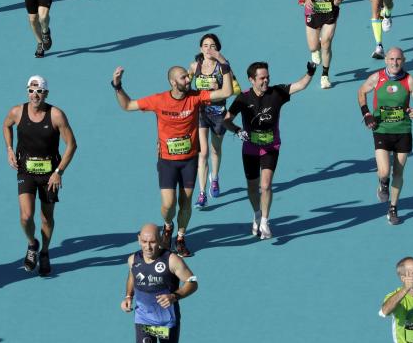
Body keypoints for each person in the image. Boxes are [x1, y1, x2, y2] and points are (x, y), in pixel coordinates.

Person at [111, 51, 233, 258]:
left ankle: (180, 238)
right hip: (167, 161)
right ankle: (168, 227)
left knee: (185, 203)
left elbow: (227, 92)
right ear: (173, 83)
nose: (189, 78)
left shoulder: (196, 97)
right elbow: (127, 105)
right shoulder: (159, 100)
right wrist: (118, 86)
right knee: (168, 205)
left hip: (189, 161)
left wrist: (225, 66)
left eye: (188, 76)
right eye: (184, 77)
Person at [224, 60, 316, 239]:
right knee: (252, 188)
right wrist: (237, 130)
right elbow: (226, 120)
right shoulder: (243, 98)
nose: (266, 81)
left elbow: (301, 85)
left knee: (265, 185)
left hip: (271, 147)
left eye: (267, 77)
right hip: (250, 148)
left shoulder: (277, 93)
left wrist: (310, 71)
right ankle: (257, 213)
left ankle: (265, 221)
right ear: (251, 80)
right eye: (261, 78)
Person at [2, 75, 77, 276]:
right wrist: (9, 149)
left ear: (46, 93)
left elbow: (72, 145)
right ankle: (32, 244)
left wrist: (58, 172)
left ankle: (44, 252)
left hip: (49, 175)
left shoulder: (56, 115)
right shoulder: (17, 112)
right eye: (31, 90)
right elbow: (6, 125)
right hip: (25, 171)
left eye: (39, 91)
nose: (35, 95)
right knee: (26, 217)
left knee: (46, 218)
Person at [357, 47, 413, 225]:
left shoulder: (410, 81)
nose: (394, 63)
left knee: (399, 172)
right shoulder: (376, 78)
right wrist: (366, 114)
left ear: (403, 61)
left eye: (398, 59)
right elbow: (361, 92)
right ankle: (382, 182)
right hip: (381, 129)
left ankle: (393, 208)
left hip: (403, 130)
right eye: (391, 59)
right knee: (384, 171)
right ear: (386, 60)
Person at [120, 223, 198, 343]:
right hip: (143, 319)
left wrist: (174, 296)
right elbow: (132, 276)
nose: (148, 247)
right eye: (144, 241)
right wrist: (128, 296)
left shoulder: (171, 260)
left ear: (161, 239)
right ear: (139, 239)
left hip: (167, 322)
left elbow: (192, 282)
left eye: (153, 242)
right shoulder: (133, 260)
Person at [187, 34, 241, 209]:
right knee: (202, 153)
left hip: (219, 114)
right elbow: (185, 87)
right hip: (201, 114)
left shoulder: (222, 67)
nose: (208, 48)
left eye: (212, 46)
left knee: (215, 150)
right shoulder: (195, 66)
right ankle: (202, 194)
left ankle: (215, 178)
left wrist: (217, 89)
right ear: (200, 48)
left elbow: (236, 89)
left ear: (217, 49)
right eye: (205, 45)